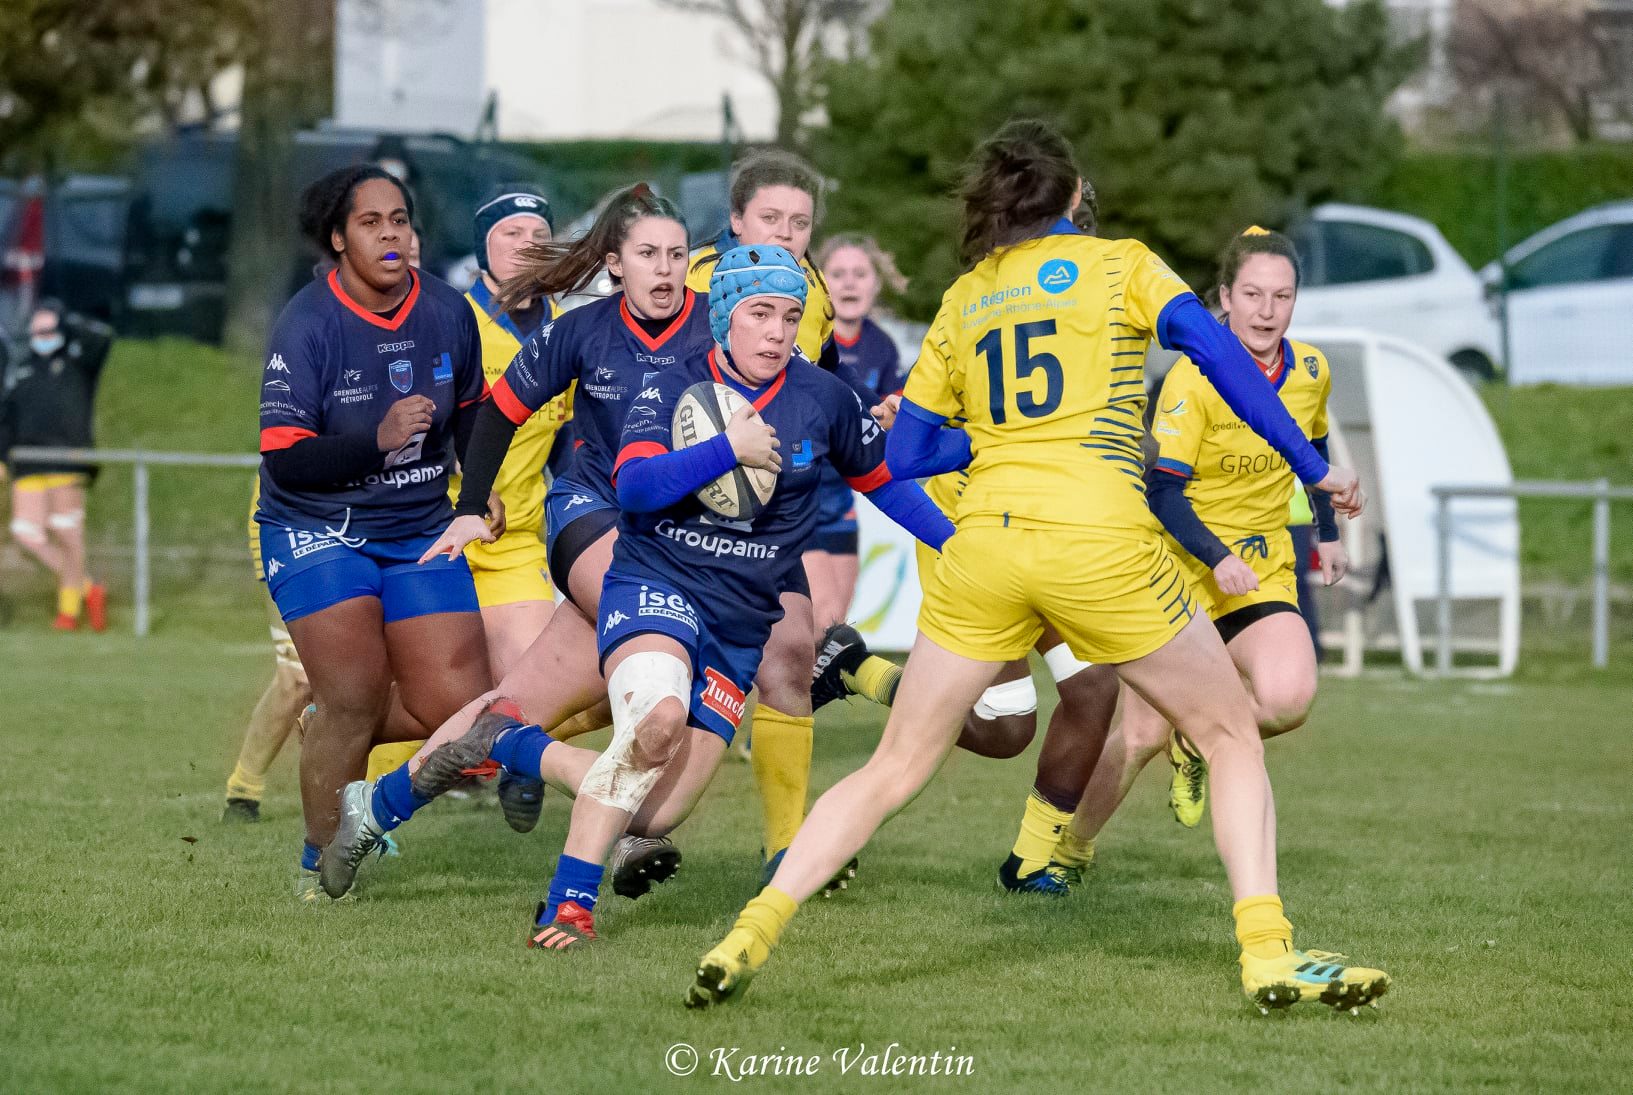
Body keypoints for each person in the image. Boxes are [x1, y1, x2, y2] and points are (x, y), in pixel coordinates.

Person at [686, 119, 1388, 1016]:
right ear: (1068, 199)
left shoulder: (964, 296)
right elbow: (1217, 357)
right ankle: (1267, 952)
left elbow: (902, 450)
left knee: (896, 767)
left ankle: (750, 930)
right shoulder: (1122, 263)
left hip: (983, 544)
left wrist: (993, 438)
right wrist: (1314, 462)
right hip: (1098, 540)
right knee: (1227, 734)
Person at [379, 244, 954, 950]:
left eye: (789, 316)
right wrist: (728, 447)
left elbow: (886, 479)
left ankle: (511, 739)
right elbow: (638, 486)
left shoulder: (822, 398)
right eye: (759, 314)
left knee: (652, 813)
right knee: (655, 720)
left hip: (739, 622)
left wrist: (954, 539)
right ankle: (569, 905)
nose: (777, 331)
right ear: (724, 320)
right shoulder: (672, 386)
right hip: (656, 581)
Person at [314, 183, 713, 898]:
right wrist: (468, 504)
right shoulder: (582, 329)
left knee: (512, 706)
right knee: (672, 664)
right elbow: (496, 412)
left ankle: (375, 805)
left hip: (663, 541)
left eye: (676, 255)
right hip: (591, 521)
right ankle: (592, 868)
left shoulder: (716, 329)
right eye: (646, 254)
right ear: (615, 264)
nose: (663, 268)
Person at [255, 164, 501, 899]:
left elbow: (474, 412)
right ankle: (317, 862)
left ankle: (329, 717)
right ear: (338, 239)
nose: (391, 235)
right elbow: (286, 460)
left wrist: (475, 497)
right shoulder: (306, 325)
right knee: (357, 694)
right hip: (316, 528)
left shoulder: (449, 310)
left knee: (456, 712)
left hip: (420, 524)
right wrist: (376, 439)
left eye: (401, 219)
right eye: (371, 223)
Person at [1067, 226, 1347, 848]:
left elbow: (1317, 447)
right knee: (1138, 736)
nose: (1267, 311)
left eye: (1282, 296)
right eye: (1252, 294)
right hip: (1179, 573)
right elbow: (1162, 492)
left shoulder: (1311, 371)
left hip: (1261, 570)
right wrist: (1215, 558)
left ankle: (1193, 739)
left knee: (1288, 698)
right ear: (1225, 296)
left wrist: (1327, 533)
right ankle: (1065, 850)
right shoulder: (1192, 379)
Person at [685, 152, 901, 889]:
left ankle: (787, 848)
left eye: (799, 222)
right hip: (670, 521)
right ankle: (521, 753)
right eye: (769, 219)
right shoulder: (692, 279)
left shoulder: (807, 289)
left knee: (786, 663)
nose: (784, 233)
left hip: (769, 526)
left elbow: (821, 388)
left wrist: (862, 420)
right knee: (624, 687)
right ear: (736, 220)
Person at [804, 236, 906, 629]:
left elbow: (883, 420)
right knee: (798, 632)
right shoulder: (805, 335)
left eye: (860, 274)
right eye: (838, 274)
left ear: (874, 284)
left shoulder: (882, 347)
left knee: (831, 630)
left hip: (839, 505)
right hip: (793, 499)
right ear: (820, 283)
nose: (849, 283)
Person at [0, 302, 111, 631]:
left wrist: (68, 322)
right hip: (28, 462)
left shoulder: (79, 364)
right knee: (26, 534)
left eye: (49, 331)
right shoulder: (21, 371)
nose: (42, 337)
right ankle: (89, 588)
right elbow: (7, 420)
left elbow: (102, 338)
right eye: (38, 331)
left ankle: (68, 612)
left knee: (67, 532)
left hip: (66, 460)